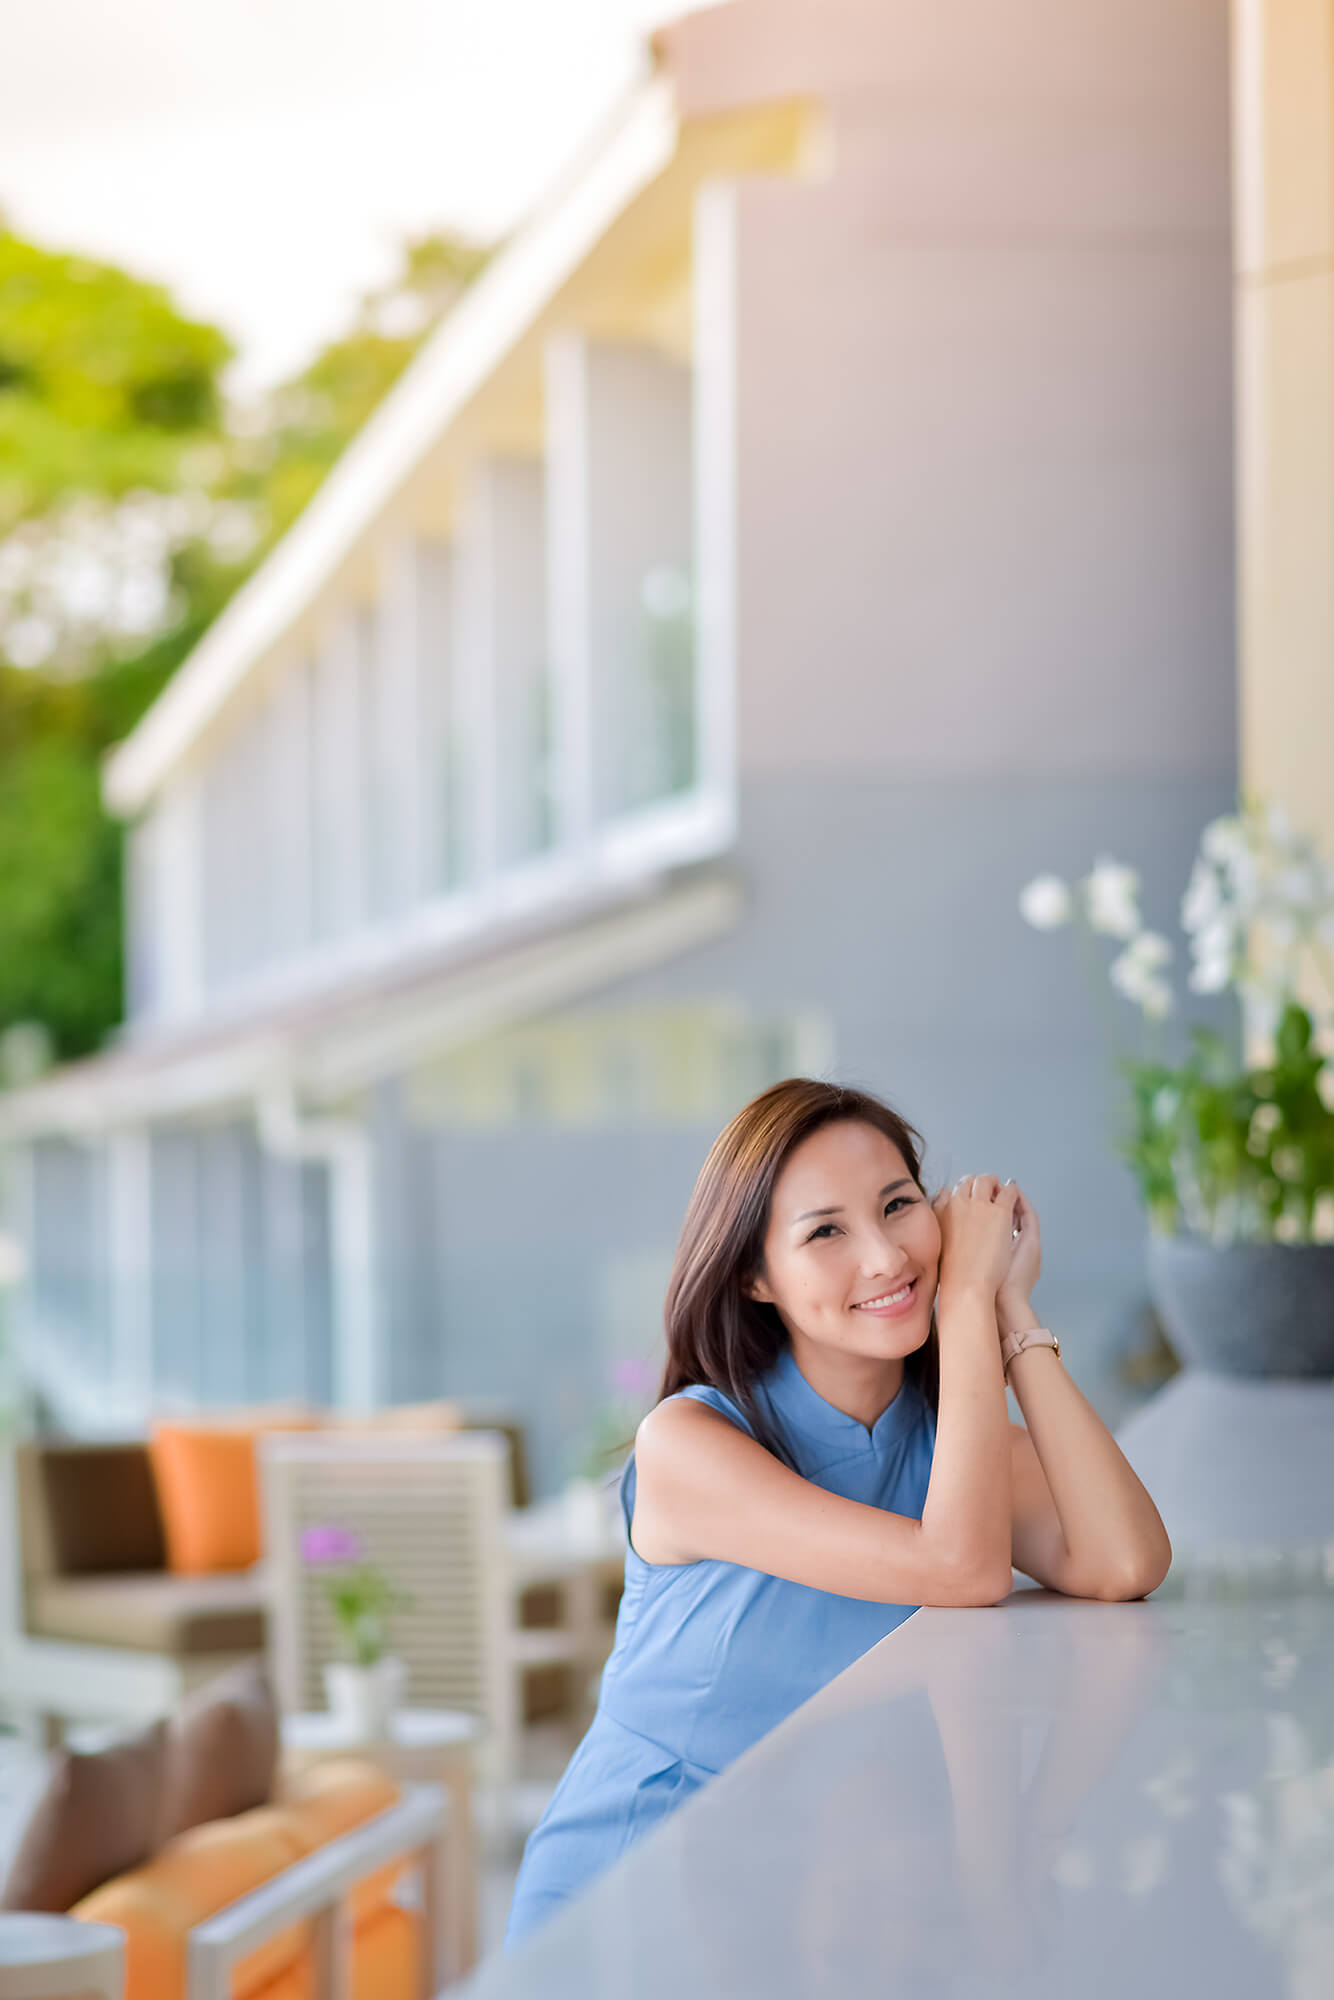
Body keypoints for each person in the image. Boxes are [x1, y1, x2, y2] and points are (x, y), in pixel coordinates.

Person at [503, 1077, 1172, 1950]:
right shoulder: (689, 1445)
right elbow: (961, 1571)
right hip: (642, 1882)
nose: (887, 1258)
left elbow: (1126, 1563)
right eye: (827, 1231)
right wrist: (963, 1303)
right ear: (754, 1275)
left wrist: (1009, 1306)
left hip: (827, 1884)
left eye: (899, 1207)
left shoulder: (952, 1453)